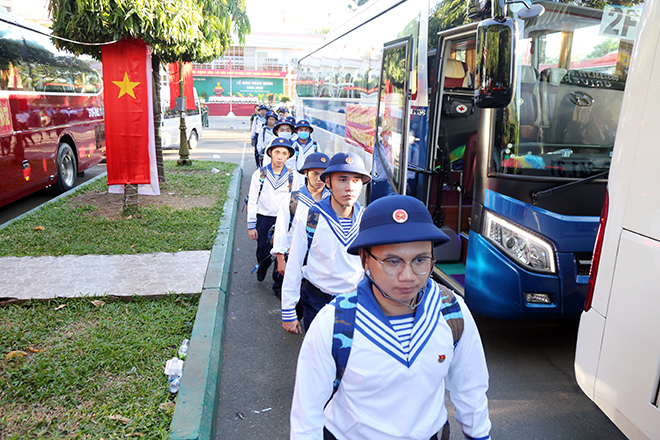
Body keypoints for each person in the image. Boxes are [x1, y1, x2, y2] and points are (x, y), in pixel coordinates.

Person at [290, 194, 492, 440]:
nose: (408, 276)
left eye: (420, 259)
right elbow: (307, 413)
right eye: (392, 261)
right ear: (365, 259)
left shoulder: (451, 312)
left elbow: (470, 388)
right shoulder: (335, 322)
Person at [281, 152, 370, 334]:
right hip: (317, 301)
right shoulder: (312, 218)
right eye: (342, 180)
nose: (349, 187)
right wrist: (289, 311)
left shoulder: (367, 220)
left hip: (357, 302)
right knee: (318, 357)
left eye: (356, 181)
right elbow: (294, 264)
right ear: (328, 182)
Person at [271, 152, 331, 299]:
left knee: (312, 299)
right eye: (315, 174)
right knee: (293, 297)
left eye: (323, 175)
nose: (319, 179)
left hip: (319, 260)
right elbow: (281, 230)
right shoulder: (293, 199)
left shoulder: (332, 200)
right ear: (306, 173)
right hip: (294, 256)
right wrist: (280, 259)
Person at [247, 138, 299, 285]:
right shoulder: (259, 174)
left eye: (284, 153)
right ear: (270, 153)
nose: (280, 156)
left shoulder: (292, 176)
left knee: (281, 250)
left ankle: (278, 283)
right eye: (277, 152)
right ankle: (263, 266)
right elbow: (252, 200)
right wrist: (251, 226)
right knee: (263, 250)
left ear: (288, 155)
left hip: (283, 220)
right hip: (264, 218)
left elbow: (294, 200)